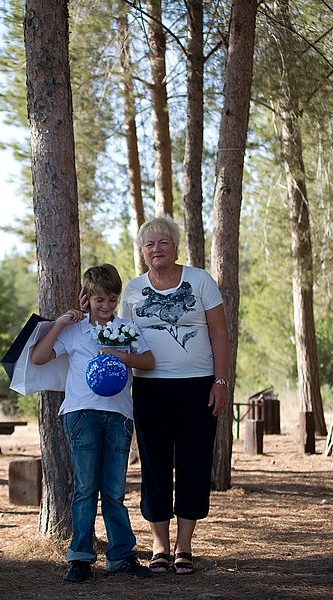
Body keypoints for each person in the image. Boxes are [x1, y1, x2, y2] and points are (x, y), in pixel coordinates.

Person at [118, 214, 230, 575]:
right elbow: (122, 338)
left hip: (199, 386)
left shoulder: (199, 281)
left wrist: (221, 381)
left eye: (163, 242)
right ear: (142, 251)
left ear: (175, 246)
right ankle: (159, 544)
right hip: (150, 389)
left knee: (194, 465)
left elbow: (220, 335)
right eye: (149, 244)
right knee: (155, 466)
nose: (156, 249)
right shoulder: (133, 290)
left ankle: (185, 545)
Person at [32, 264, 155, 583]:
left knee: (113, 490)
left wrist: (120, 356)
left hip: (119, 415)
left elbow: (149, 361)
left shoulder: (126, 328)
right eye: (99, 300)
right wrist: (59, 323)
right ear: (85, 298)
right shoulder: (74, 331)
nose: (106, 306)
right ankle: (80, 557)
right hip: (81, 413)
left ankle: (121, 556)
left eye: (111, 300)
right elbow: (39, 357)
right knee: (85, 487)